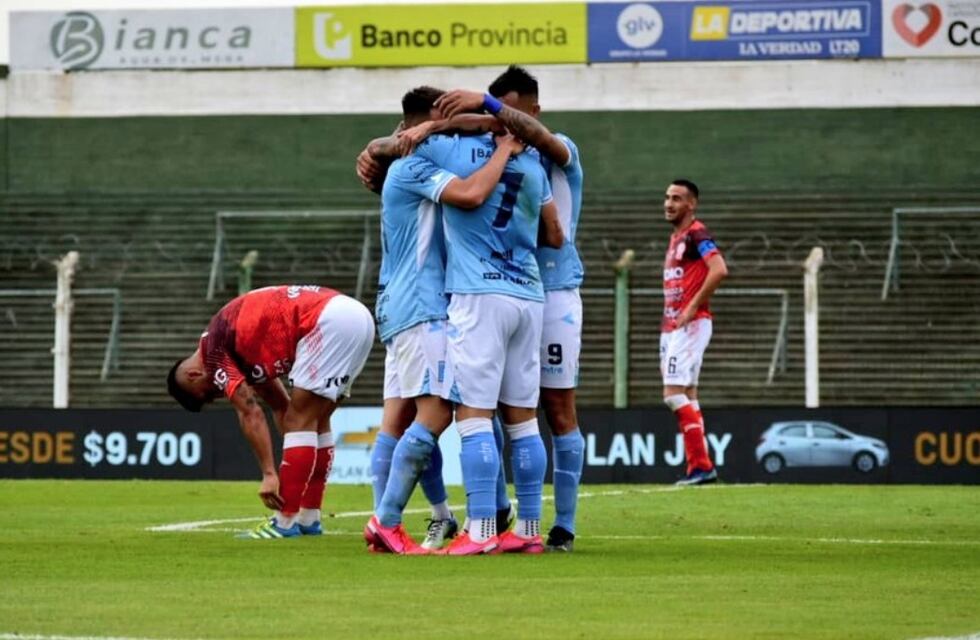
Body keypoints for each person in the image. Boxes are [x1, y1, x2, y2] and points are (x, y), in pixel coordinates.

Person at [361, 86, 528, 554]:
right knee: (438, 411)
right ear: (430, 118)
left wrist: (449, 125)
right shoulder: (415, 166)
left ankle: (485, 513)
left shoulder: (407, 158)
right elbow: (473, 195)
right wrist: (504, 153)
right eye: (446, 117)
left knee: (401, 418)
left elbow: (482, 125)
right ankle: (387, 521)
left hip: (405, 304)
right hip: (422, 305)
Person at [436, 65, 586, 552]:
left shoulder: (557, 148)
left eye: (514, 112)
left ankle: (563, 523)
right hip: (520, 288)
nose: (507, 124)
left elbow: (530, 134)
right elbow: (495, 129)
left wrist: (488, 106)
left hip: (555, 291)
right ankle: (505, 515)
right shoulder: (502, 148)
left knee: (557, 409)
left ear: (534, 111)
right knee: (505, 407)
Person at [409, 123, 564, 555]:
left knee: (474, 417)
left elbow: (403, 150)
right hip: (529, 296)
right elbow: (555, 235)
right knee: (523, 421)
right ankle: (529, 529)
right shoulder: (533, 161)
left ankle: (480, 532)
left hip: (479, 296)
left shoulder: (450, 151)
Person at [166, 285, 374, 538]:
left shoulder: (213, 351)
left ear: (193, 375)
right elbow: (279, 406)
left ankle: (284, 523)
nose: (219, 394)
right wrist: (294, 450)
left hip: (326, 321)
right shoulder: (240, 347)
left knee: (302, 419)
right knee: (315, 420)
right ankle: (308, 518)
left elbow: (249, 411)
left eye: (209, 393)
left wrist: (269, 473)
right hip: (355, 317)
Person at [659, 179, 728, 485]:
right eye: (667, 197)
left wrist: (691, 307)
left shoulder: (697, 232)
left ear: (691, 204)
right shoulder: (677, 238)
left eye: (676, 198)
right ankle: (699, 468)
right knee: (688, 394)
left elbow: (719, 269)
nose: (669, 203)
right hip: (674, 326)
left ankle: (701, 466)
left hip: (690, 323)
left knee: (673, 394)